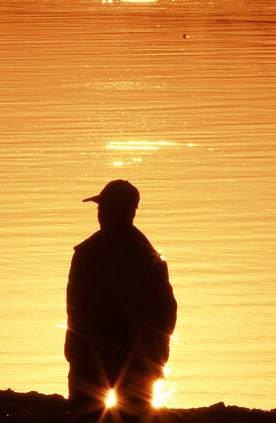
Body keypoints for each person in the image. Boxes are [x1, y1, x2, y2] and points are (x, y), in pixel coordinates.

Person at [65, 180, 177, 420]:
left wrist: (76, 352)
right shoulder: (150, 257)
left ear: (125, 211)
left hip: (97, 361)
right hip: (132, 361)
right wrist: (156, 356)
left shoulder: (87, 255)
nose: (100, 213)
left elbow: (76, 309)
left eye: (104, 207)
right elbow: (166, 314)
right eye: (100, 207)